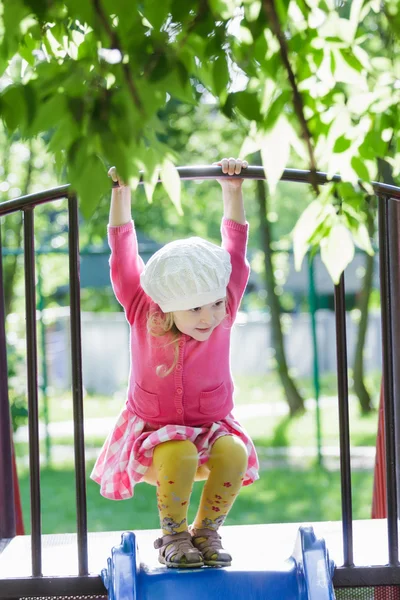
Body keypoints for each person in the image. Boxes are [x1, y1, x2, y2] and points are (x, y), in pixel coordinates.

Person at [91, 157, 259, 569]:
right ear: (168, 307)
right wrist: (121, 195)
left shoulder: (225, 306)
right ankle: (173, 536)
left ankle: (206, 531)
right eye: (196, 309)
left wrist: (232, 191)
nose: (210, 317)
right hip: (155, 437)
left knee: (234, 452)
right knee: (180, 452)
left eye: (217, 303)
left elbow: (235, 251)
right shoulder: (143, 309)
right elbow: (122, 255)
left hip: (210, 426)